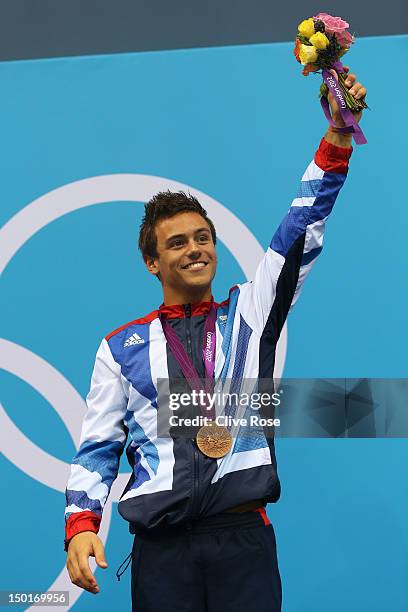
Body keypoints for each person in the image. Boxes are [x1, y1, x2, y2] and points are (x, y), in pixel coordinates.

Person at [64, 67, 367, 611]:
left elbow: (297, 231)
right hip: (160, 552)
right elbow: (99, 446)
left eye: (203, 237)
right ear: (152, 262)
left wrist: (336, 141)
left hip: (241, 542)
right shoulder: (121, 348)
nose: (195, 249)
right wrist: (83, 523)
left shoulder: (249, 314)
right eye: (177, 242)